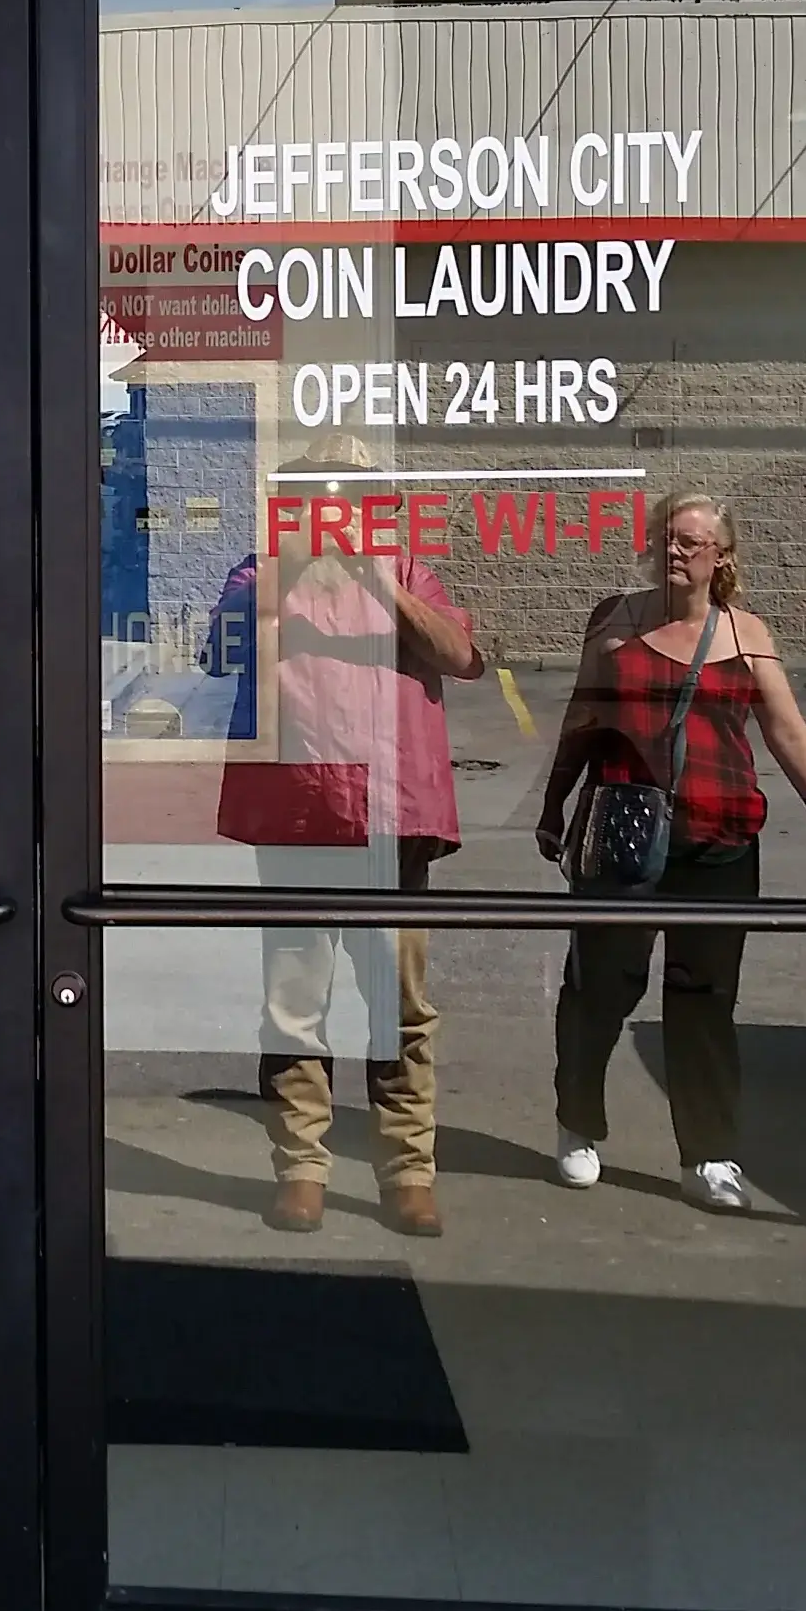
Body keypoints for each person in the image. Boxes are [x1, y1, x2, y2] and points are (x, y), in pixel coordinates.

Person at [535, 490, 806, 1213]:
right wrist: (554, 803)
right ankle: (578, 1123)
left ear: (722, 559)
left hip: (721, 837)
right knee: (602, 985)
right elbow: (582, 717)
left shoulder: (746, 634)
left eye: (691, 542)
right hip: (625, 835)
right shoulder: (616, 622)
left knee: (705, 998)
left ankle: (707, 1154)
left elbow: (787, 732)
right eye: (667, 538)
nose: (674, 551)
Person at [212, 465, 485, 1240]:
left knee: (400, 1007)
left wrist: (377, 580)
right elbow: (223, 647)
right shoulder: (261, 570)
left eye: (355, 505)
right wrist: (291, 561)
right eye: (320, 504)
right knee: (294, 1004)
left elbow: (461, 656)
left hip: (392, 816)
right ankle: (300, 1165)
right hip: (296, 812)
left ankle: (408, 1170)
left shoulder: (405, 569)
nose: (339, 518)